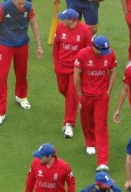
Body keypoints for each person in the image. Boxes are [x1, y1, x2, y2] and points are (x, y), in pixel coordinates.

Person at [0, 0, 43, 126]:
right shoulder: (2, 8)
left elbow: (34, 24)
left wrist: (39, 45)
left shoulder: (28, 7)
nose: (22, 6)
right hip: (5, 45)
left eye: (23, 3)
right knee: (2, 77)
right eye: (19, 4)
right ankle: (0, 112)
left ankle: (21, 96)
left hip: (22, 44)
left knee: (22, 73)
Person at [74, 35, 116, 172]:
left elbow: (113, 71)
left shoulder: (109, 54)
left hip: (101, 97)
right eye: (101, 51)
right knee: (86, 120)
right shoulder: (83, 54)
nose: (104, 53)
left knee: (101, 126)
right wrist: (80, 95)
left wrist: (108, 91)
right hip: (86, 95)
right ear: (94, 47)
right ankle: (90, 141)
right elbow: (76, 75)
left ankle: (103, 161)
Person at [53, 8, 92, 138]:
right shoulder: (60, 28)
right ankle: (74, 102)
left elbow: (89, 51)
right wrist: (56, 64)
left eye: (63, 18)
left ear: (71, 20)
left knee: (71, 93)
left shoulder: (85, 31)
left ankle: (69, 124)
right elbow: (56, 46)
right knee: (62, 89)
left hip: (76, 69)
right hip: (61, 67)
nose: (61, 20)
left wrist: (84, 69)